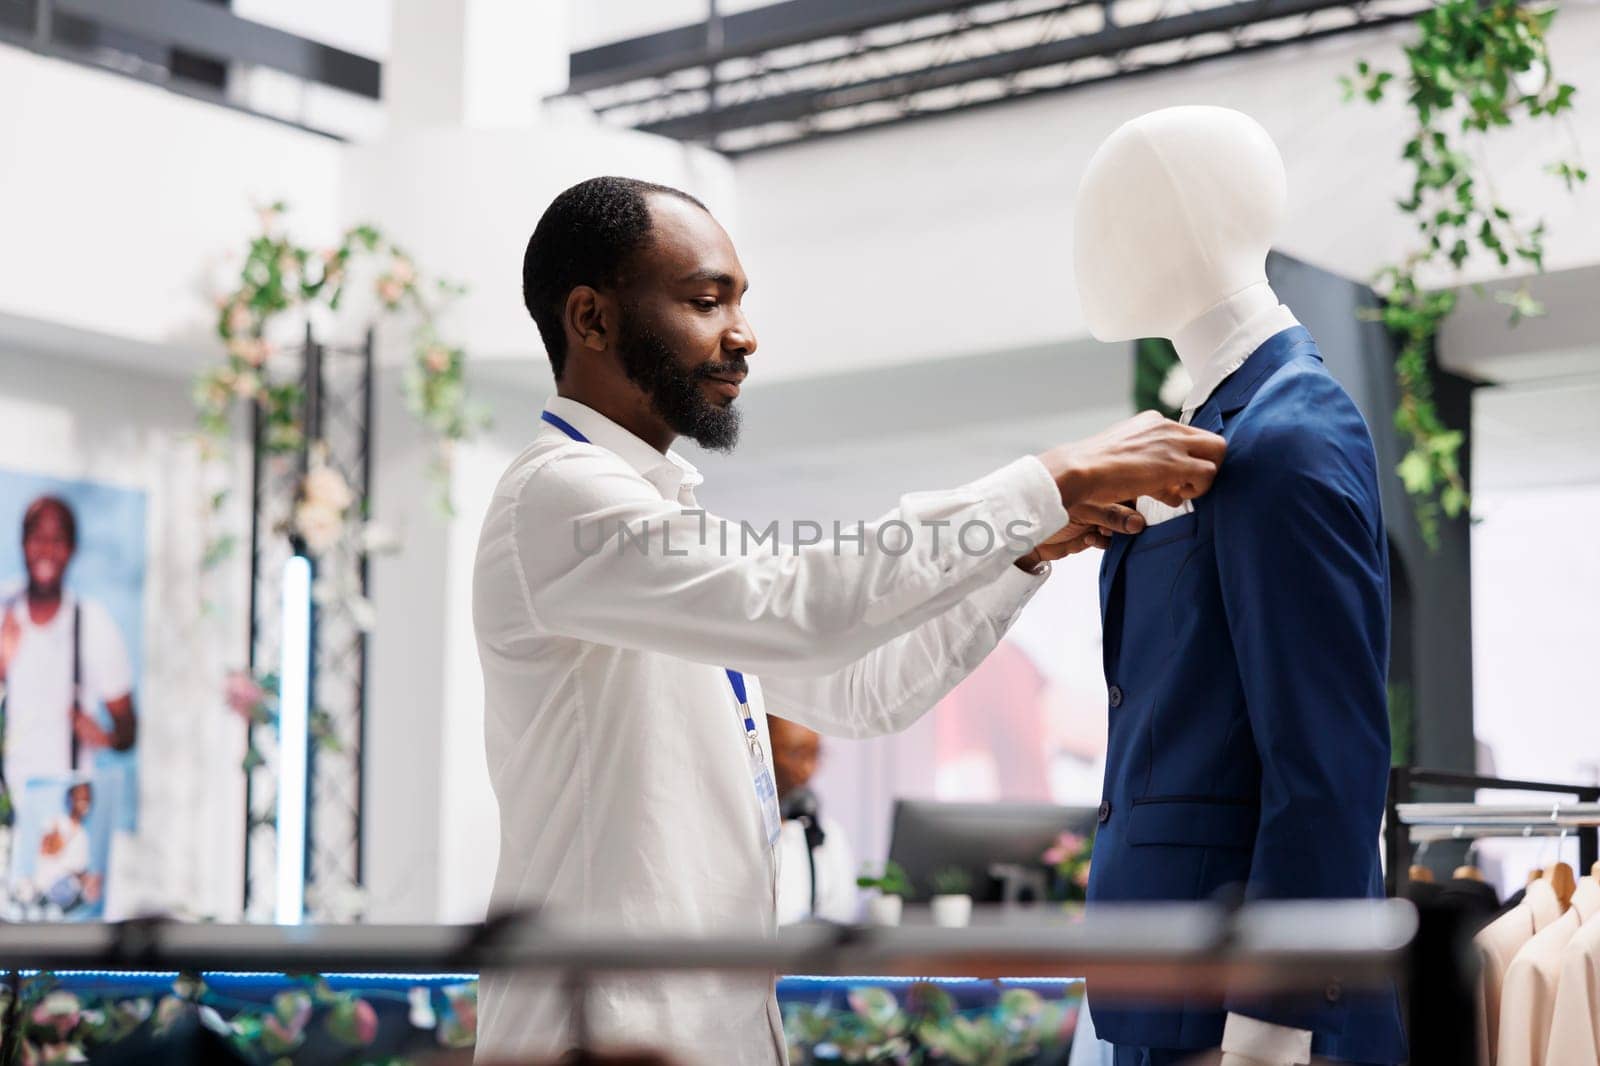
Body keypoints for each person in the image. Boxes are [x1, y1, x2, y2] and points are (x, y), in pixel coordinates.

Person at [471, 175, 1228, 1064]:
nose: (743, 335)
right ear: (591, 319)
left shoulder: (660, 516)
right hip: (603, 1037)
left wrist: (1023, 552)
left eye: (740, 302)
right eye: (706, 301)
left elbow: (865, 690)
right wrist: (1046, 482)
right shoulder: (560, 497)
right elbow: (804, 609)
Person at [0, 497, 137, 799]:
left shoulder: (94, 624)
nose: (46, 550)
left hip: (65, 821)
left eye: (57, 539)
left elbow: (128, 730)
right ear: (23, 543)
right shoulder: (3, 610)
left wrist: (106, 737)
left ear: (72, 549)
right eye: (37, 537)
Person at [767, 715, 857, 925]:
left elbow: (840, 919)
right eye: (796, 754)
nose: (808, 769)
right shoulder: (734, 835)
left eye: (815, 755)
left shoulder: (827, 837)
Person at [32, 779, 100, 912]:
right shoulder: (56, 822)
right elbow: (48, 850)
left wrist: (90, 880)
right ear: (70, 798)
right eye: (80, 795)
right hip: (48, 891)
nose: (84, 800)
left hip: (70, 896)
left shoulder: (83, 835)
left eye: (87, 797)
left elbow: (79, 870)